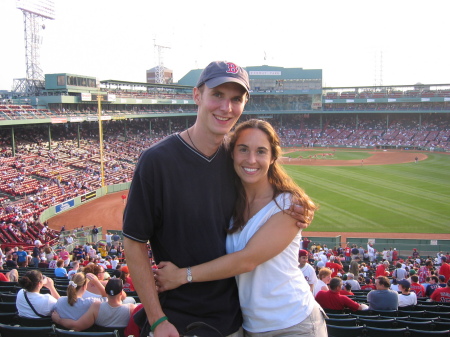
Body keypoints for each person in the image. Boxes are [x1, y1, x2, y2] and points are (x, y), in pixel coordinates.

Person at [122, 61, 312, 337]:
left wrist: (297, 200)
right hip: (178, 320)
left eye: (236, 99)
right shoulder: (157, 161)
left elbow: (270, 181)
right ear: (197, 95)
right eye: (218, 95)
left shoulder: (236, 159)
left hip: (235, 322)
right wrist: (157, 320)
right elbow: (133, 241)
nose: (226, 107)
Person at [155, 119, 325, 336]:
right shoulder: (229, 201)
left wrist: (181, 276)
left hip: (294, 322)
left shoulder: (289, 205)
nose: (251, 159)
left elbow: (247, 260)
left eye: (261, 151)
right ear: (232, 154)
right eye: (243, 149)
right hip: (251, 326)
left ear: (273, 157)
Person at [52, 278, 136, 331]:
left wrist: (59, 320)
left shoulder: (96, 306)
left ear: (105, 292)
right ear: (121, 293)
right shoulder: (131, 308)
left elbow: (77, 326)